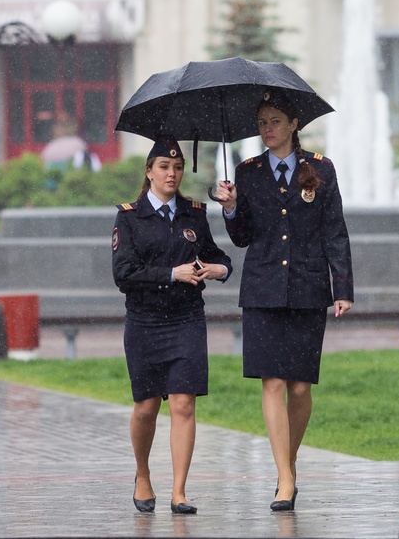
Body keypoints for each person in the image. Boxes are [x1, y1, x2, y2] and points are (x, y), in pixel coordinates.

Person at [213, 90, 354, 512]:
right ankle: (286, 478)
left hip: (308, 287)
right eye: (261, 122)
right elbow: (242, 238)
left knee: (299, 386)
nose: (266, 129)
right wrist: (232, 207)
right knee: (271, 381)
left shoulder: (321, 169)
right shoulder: (248, 171)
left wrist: (342, 287)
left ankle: (286, 464)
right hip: (262, 287)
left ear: (294, 124)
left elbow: (335, 230)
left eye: (274, 121)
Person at [111, 136, 233, 515]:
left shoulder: (194, 213)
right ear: (148, 172)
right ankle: (143, 473)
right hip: (145, 322)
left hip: (186, 320)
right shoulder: (129, 217)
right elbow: (124, 274)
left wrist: (219, 269)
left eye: (178, 168)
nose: (172, 174)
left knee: (183, 404)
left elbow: (216, 255)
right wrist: (171, 273)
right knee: (146, 407)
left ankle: (179, 490)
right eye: (164, 167)